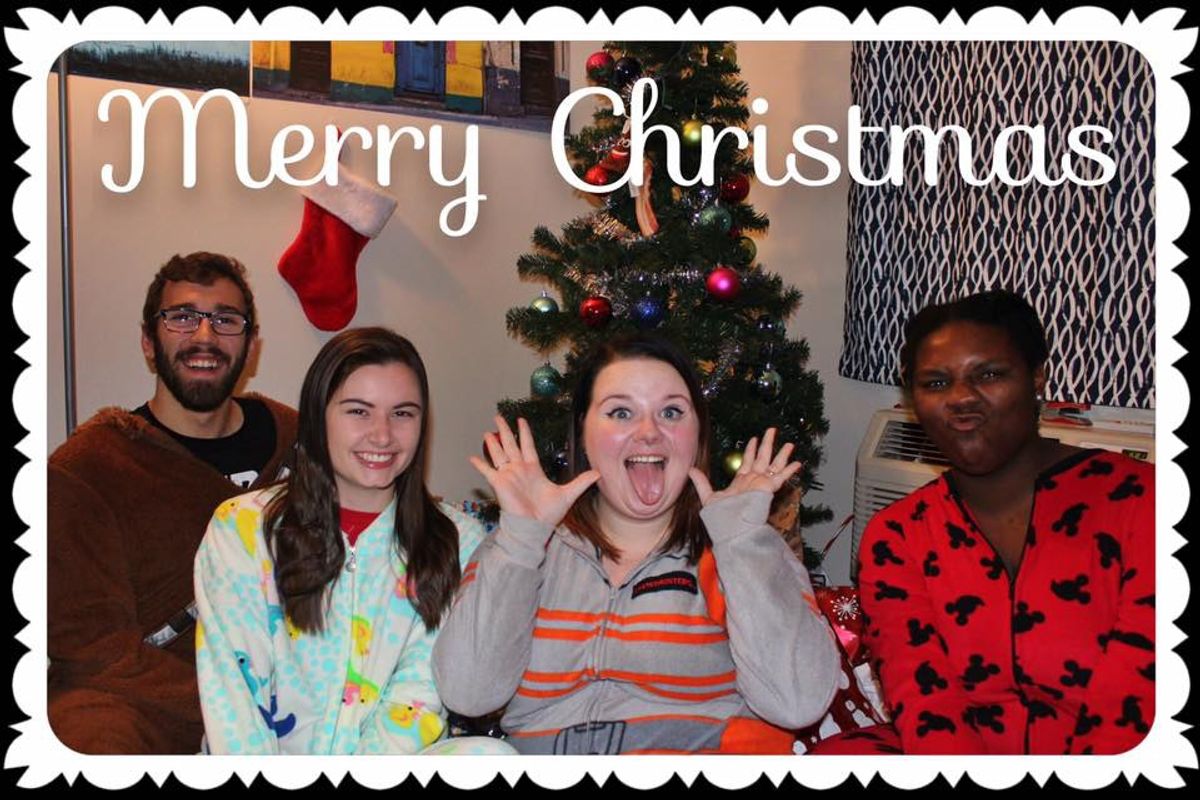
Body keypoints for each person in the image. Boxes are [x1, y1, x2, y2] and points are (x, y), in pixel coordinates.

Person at [433, 332, 840, 754]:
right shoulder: (522, 545)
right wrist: (522, 540)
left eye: (671, 412)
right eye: (621, 412)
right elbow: (468, 695)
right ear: (583, 432)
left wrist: (742, 544)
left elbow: (798, 704)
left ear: (698, 435)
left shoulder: (743, 548)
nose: (648, 432)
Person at [848, 289, 1154, 755]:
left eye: (989, 374)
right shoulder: (897, 537)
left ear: (1037, 377)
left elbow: (1136, 705)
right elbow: (927, 706)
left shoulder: (1142, 501)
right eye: (935, 383)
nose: (960, 399)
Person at [194, 327, 492, 754]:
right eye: (358, 411)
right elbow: (233, 697)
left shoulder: (458, 541)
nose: (382, 435)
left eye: (403, 413)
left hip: (387, 766)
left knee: (490, 757)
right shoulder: (242, 529)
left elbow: (418, 698)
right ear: (319, 417)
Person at [48, 252, 298, 754]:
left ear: (251, 346)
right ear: (148, 341)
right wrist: (236, 707)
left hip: (298, 691)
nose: (204, 336)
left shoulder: (302, 441)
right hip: (154, 707)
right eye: (181, 318)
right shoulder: (87, 470)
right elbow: (94, 653)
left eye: (225, 320)